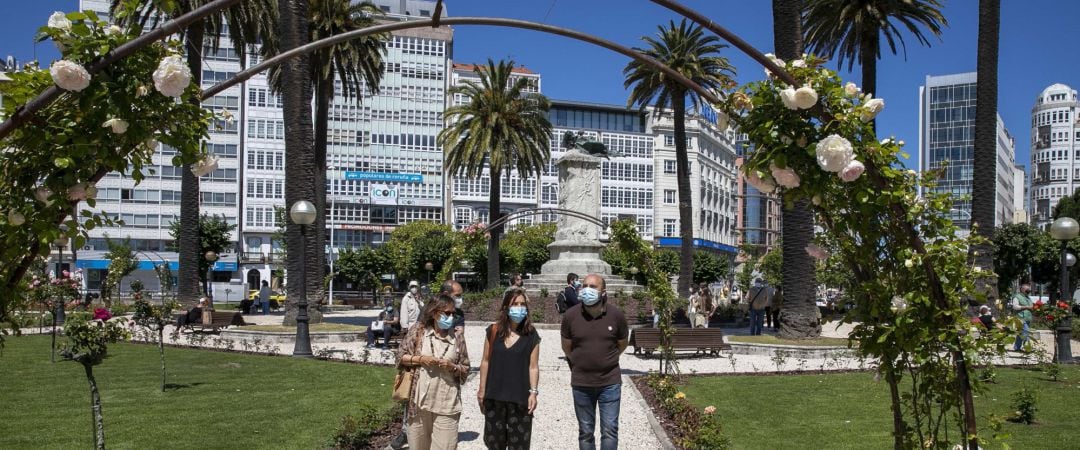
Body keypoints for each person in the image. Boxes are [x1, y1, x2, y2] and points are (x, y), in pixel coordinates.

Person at [561, 273, 629, 450]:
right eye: (585, 286)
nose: (587, 290)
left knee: (610, 430)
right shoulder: (570, 316)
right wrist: (579, 363)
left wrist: (607, 359)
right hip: (581, 382)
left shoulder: (616, 315)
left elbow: (622, 344)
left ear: (603, 292)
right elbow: (567, 347)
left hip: (610, 382)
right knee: (585, 431)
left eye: (593, 287)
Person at [398, 295, 470, 450]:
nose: (451, 317)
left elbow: (465, 369)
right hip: (419, 404)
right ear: (434, 312)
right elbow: (400, 357)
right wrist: (421, 359)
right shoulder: (419, 331)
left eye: (453, 313)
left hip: (447, 404)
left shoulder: (457, 337)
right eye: (447, 313)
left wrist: (452, 366)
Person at [478, 287, 541, 449]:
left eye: (522, 305)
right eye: (515, 304)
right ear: (506, 307)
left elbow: (533, 367)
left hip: (520, 399)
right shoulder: (493, 331)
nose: (519, 308)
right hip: (494, 397)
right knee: (494, 444)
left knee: (519, 444)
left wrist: (533, 393)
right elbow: (485, 361)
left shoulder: (531, 334)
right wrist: (481, 389)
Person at [1010, 283, 1034, 351]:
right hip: (1020, 318)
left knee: (1020, 333)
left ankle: (1017, 348)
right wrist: (1026, 307)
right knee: (1026, 332)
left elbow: (1030, 306)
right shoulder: (1017, 296)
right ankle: (1028, 348)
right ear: (1022, 289)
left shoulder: (1028, 297)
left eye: (1029, 289)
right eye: (1027, 289)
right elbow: (1015, 307)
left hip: (1028, 318)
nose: (1029, 290)